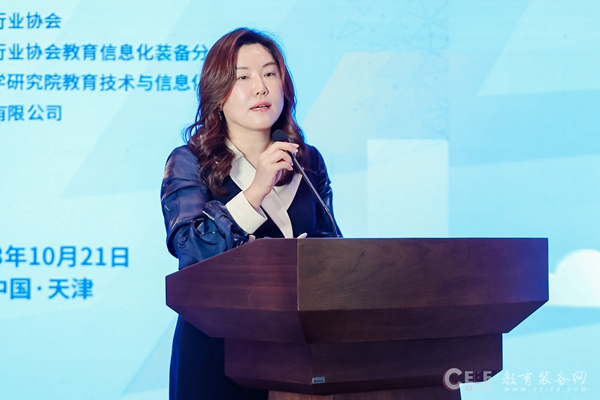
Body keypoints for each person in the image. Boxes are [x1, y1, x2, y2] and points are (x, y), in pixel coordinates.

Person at [160, 27, 341, 400]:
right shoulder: (190, 161)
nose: (260, 88)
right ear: (218, 93)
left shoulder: (307, 161)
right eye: (243, 77)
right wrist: (257, 189)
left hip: (299, 355)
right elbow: (190, 249)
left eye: (270, 74)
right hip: (218, 352)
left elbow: (333, 249)